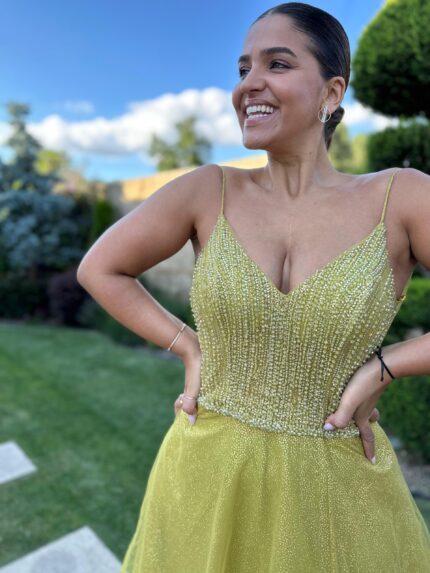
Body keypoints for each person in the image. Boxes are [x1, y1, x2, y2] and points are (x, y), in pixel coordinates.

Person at [77, 2, 430, 571]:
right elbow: (100, 268)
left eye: (277, 64)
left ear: (332, 92)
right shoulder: (207, 190)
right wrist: (187, 345)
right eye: (243, 69)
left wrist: (386, 366)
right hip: (203, 473)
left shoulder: (401, 197)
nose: (249, 85)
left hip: (337, 495)